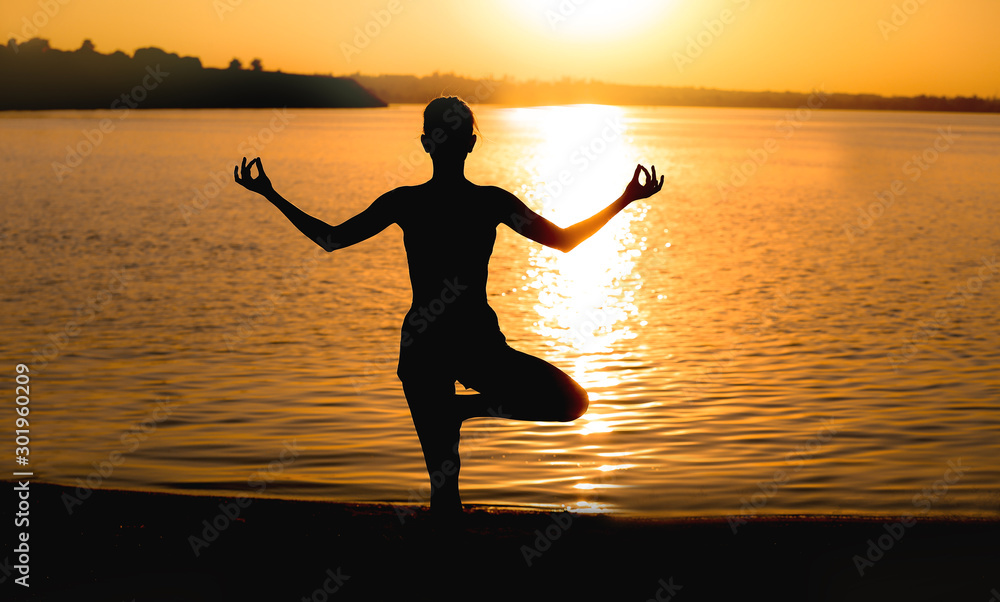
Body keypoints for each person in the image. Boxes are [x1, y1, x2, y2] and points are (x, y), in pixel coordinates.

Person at [235, 96, 664, 517]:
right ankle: (457, 444)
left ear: (426, 143)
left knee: (448, 486)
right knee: (566, 406)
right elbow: (565, 241)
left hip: (437, 344)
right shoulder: (487, 201)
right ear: (471, 144)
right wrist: (624, 198)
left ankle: (459, 412)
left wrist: (270, 193)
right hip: (467, 344)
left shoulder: (410, 201)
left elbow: (330, 239)